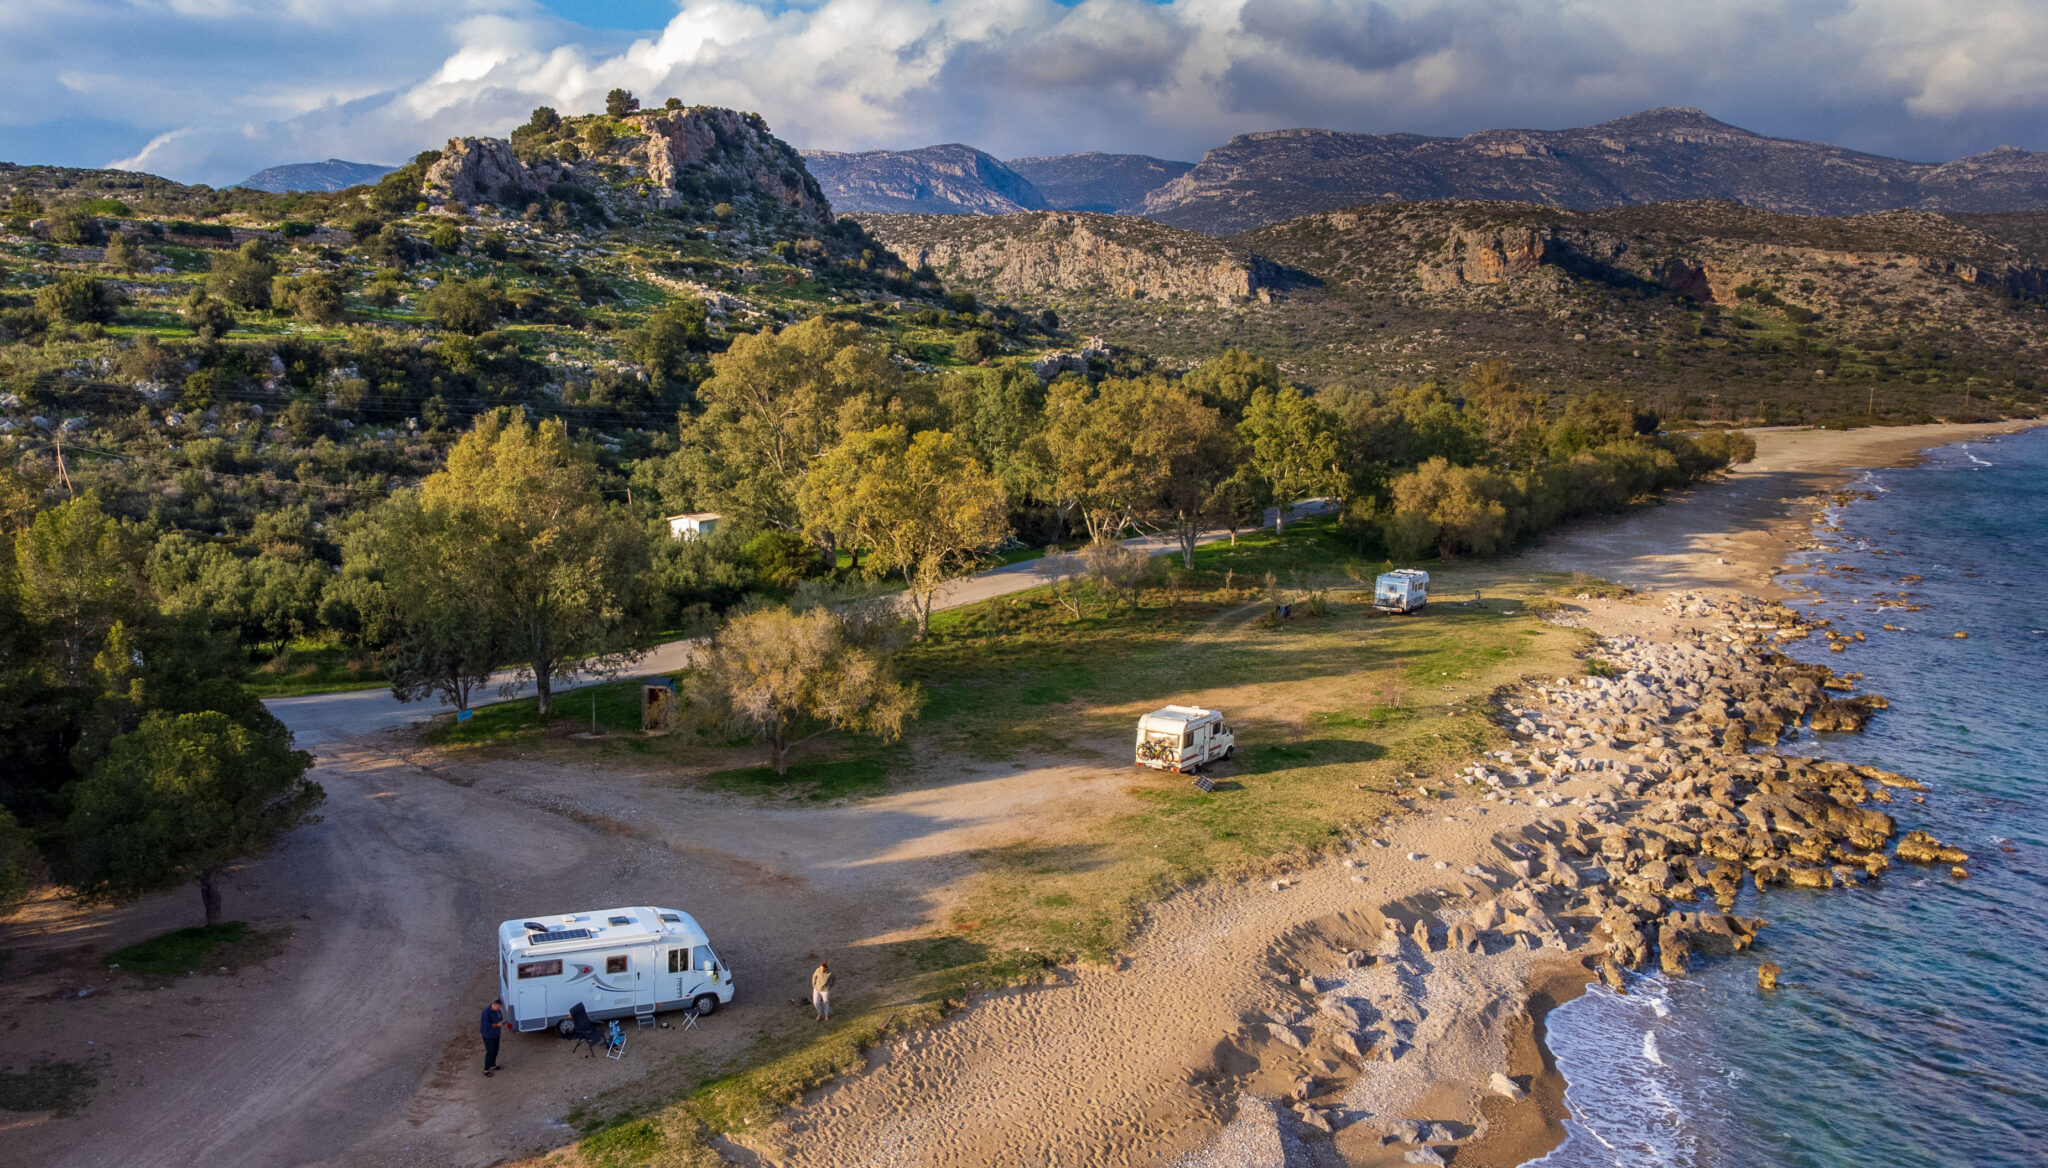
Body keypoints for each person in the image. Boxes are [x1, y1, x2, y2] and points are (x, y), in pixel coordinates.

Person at [480, 997, 510, 1076]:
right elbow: (487, 1025)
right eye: (498, 1007)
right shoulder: (486, 1012)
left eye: (500, 1008)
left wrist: (502, 1023)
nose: (499, 1009)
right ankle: (486, 1069)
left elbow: (500, 1018)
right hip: (488, 1035)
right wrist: (497, 1025)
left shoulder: (498, 1011)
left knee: (495, 1050)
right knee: (490, 1051)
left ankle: (493, 1065)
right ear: (494, 1005)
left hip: (496, 1034)